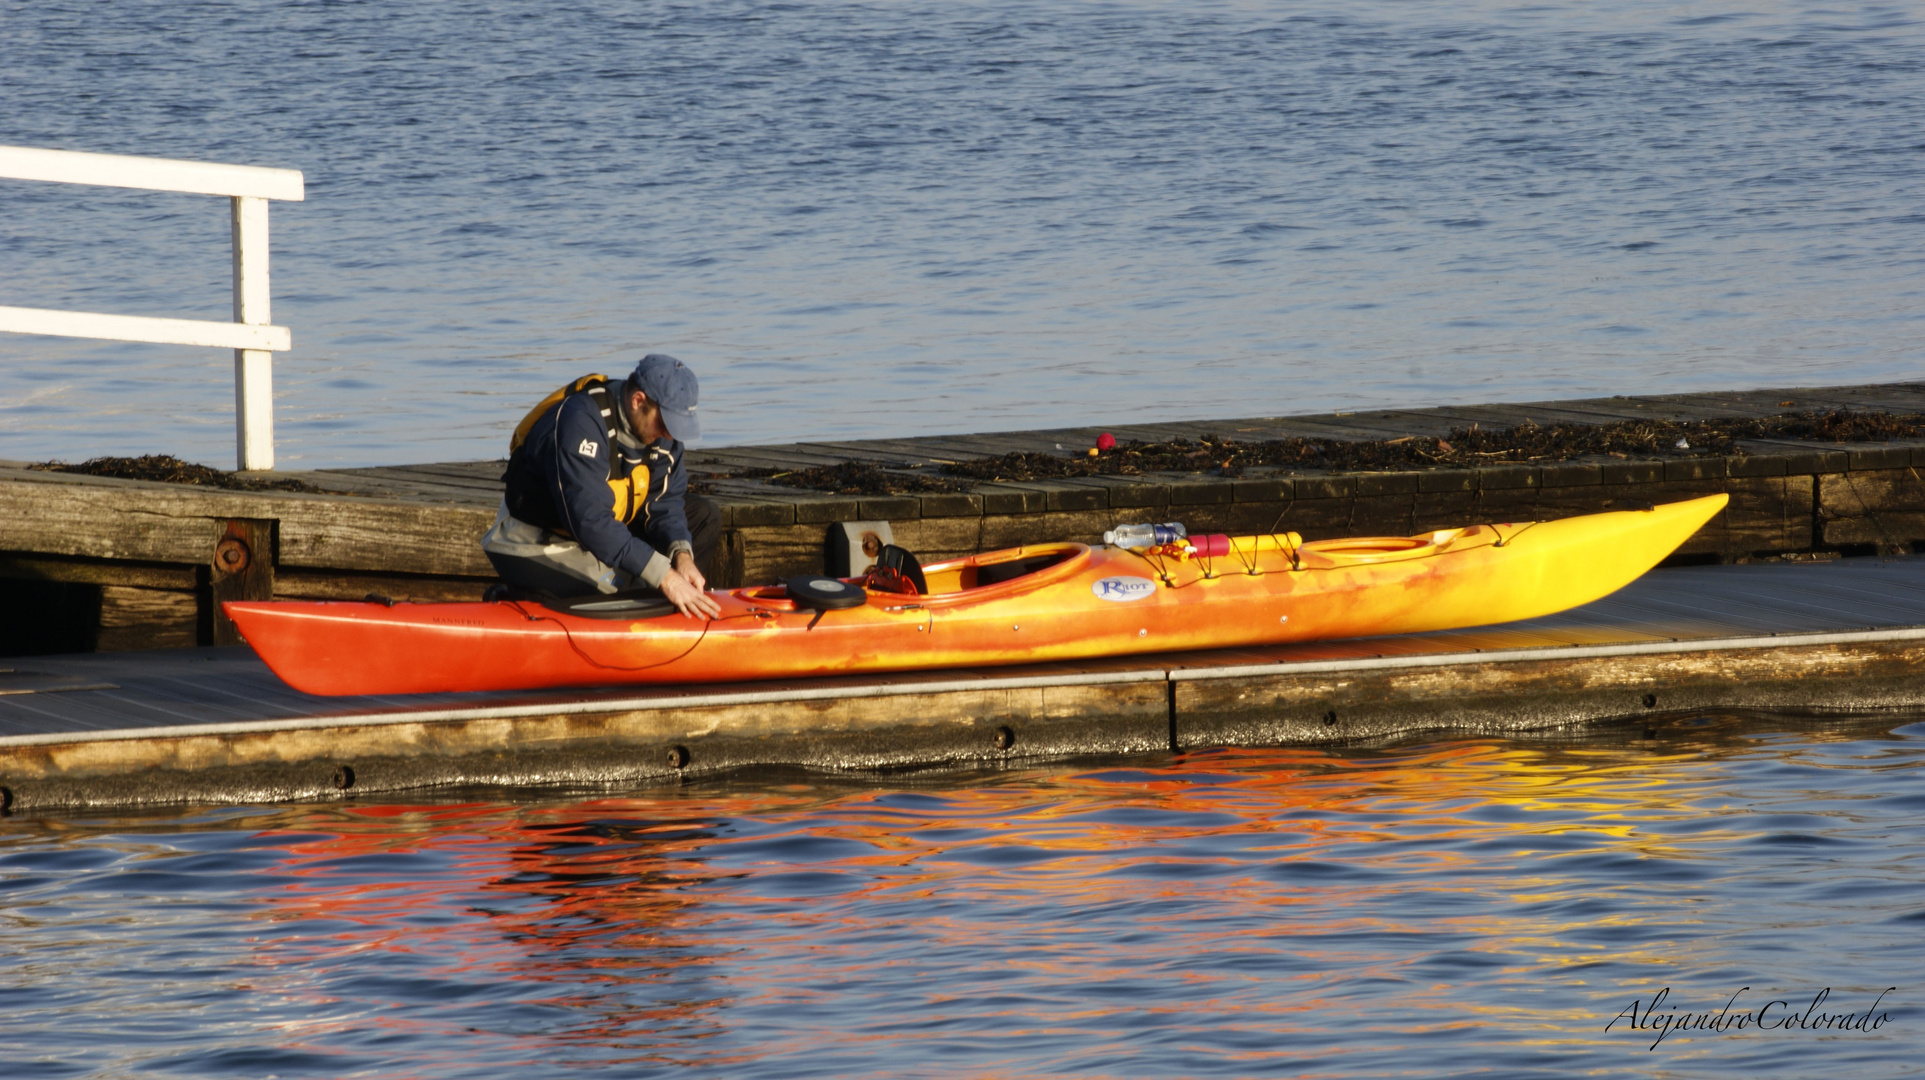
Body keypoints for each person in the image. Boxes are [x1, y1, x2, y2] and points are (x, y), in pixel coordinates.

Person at [483, 354, 723, 619]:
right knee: (604, 598)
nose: (669, 434)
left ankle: (662, 608)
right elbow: (591, 521)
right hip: (536, 541)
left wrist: (682, 557)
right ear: (638, 401)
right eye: (665, 422)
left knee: (703, 517)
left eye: (678, 426)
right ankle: (512, 598)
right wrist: (664, 575)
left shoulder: (664, 434)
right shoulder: (581, 420)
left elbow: (665, 503)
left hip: (610, 528)